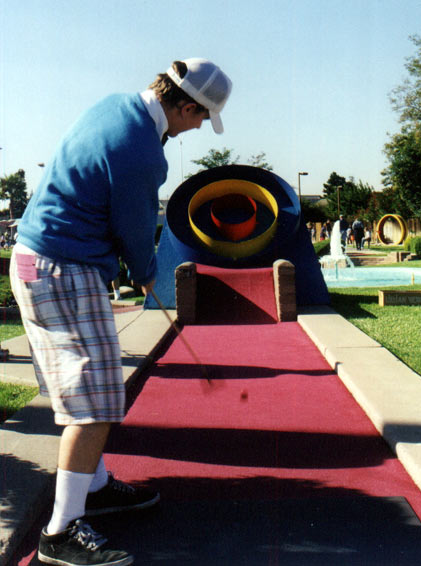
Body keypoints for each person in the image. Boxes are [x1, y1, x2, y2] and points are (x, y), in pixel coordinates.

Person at [10, 58, 232, 566]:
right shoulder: (142, 151)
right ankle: (61, 531)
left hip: (34, 259)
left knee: (84, 391)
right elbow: (133, 228)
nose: (196, 128)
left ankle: (98, 486)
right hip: (63, 267)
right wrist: (146, 269)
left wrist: (133, 262)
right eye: (201, 119)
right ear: (187, 104)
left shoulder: (117, 105)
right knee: (98, 400)